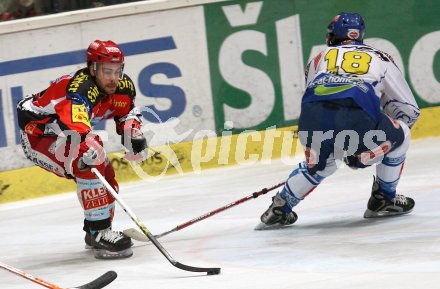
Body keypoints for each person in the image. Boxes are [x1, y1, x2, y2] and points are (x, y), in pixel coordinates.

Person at [257, 12, 420, 229]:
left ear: (334, 35)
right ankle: (384, 198)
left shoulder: (319, 57)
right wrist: (374, 146)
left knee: (321, 164)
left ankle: (280, 207)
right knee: (402, 133)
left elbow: (316, 94)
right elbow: (408, 109)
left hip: (311, 118)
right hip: (356, 120)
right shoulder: (380, 57)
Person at [17, 40, 148, 259]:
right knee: (91, 150)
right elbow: (79, 132)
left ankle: (95, 230)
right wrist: (85, 157)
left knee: (106, 175)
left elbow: (126, 113)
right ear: (93, 68)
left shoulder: (121, 86)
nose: (114, 78)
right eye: (107, 71)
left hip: (66, 136)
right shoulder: (79, 89)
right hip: (38, 138)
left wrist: (131, 131)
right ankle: (99, 233)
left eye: (118, 71)